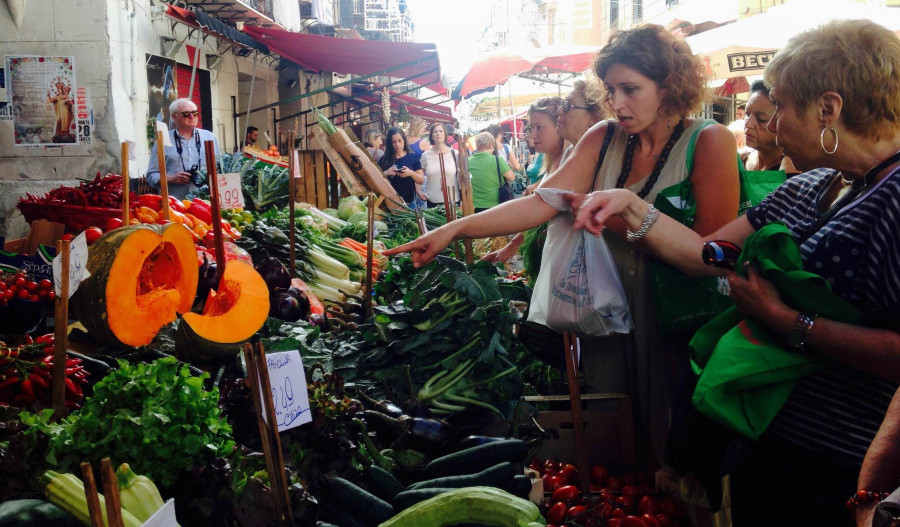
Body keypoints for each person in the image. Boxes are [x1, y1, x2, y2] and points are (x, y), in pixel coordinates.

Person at [567, 19, 900, 526]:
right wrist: (634, 211)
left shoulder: (893, 199)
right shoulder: (811, 186)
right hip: (764, 439)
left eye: (781, 107)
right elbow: (711, 254)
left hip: (837, 466)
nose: (768, 123)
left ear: (829, 109)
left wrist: (786, 320)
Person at [386, 24, 739, 469]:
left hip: (675, 327)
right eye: (611, 90)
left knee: (674, 450)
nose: (618, 103)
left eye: (631, 89)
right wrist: (455, 230)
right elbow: (541, 202)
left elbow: (715, 255)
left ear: (670, 86)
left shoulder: (709, 142)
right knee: (614, 445)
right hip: (606, 317)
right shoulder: (605, 137)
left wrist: (619, 221)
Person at [484, 84, 604, 264]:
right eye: (532, 128)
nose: (533, 136)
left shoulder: (573, 161)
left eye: (539, 127)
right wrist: (512, 245)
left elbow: (536, 207)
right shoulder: (554, 161)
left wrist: (455, 230)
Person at [147, 98, 220, 200]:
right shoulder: (162, 140)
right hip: (175, 205)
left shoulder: (210, 137)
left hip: (206, 202)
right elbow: (151, 175)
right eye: (186, 113)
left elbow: (220, 170)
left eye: (195, 113)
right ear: (174, 117)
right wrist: (171, 178)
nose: (191, 116)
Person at [742, 80, 798, 175]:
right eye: (747, 114)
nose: (748, 124)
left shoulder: (795, 168)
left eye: (761, 119)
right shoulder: (740, 159)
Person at [465, 131, 515, 213]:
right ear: (491, 145)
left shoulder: (467, 161)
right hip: (494, 205)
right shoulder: (497, 160)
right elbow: (512, 177)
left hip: (474, 205)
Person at [378, 127, 424, 206]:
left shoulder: (413, 157)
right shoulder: (383, 159)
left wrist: (411, 173)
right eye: (394, 142)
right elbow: (377, 180)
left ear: (404, 140)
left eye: (400, 141)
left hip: (410, 203)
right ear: (390, 143)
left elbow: (421, 180)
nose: (397, 145)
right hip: (390, 203)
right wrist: (386, 173)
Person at [421, 123, 460, 208]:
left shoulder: (455, 154)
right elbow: (419, 174)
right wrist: (418, 191)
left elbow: (461, 176)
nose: (438, 133)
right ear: (431, 136)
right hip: (432, 201)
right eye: (435, 131)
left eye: (441, 131)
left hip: (453, 201)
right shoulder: (426, 155)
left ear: (445, 135)